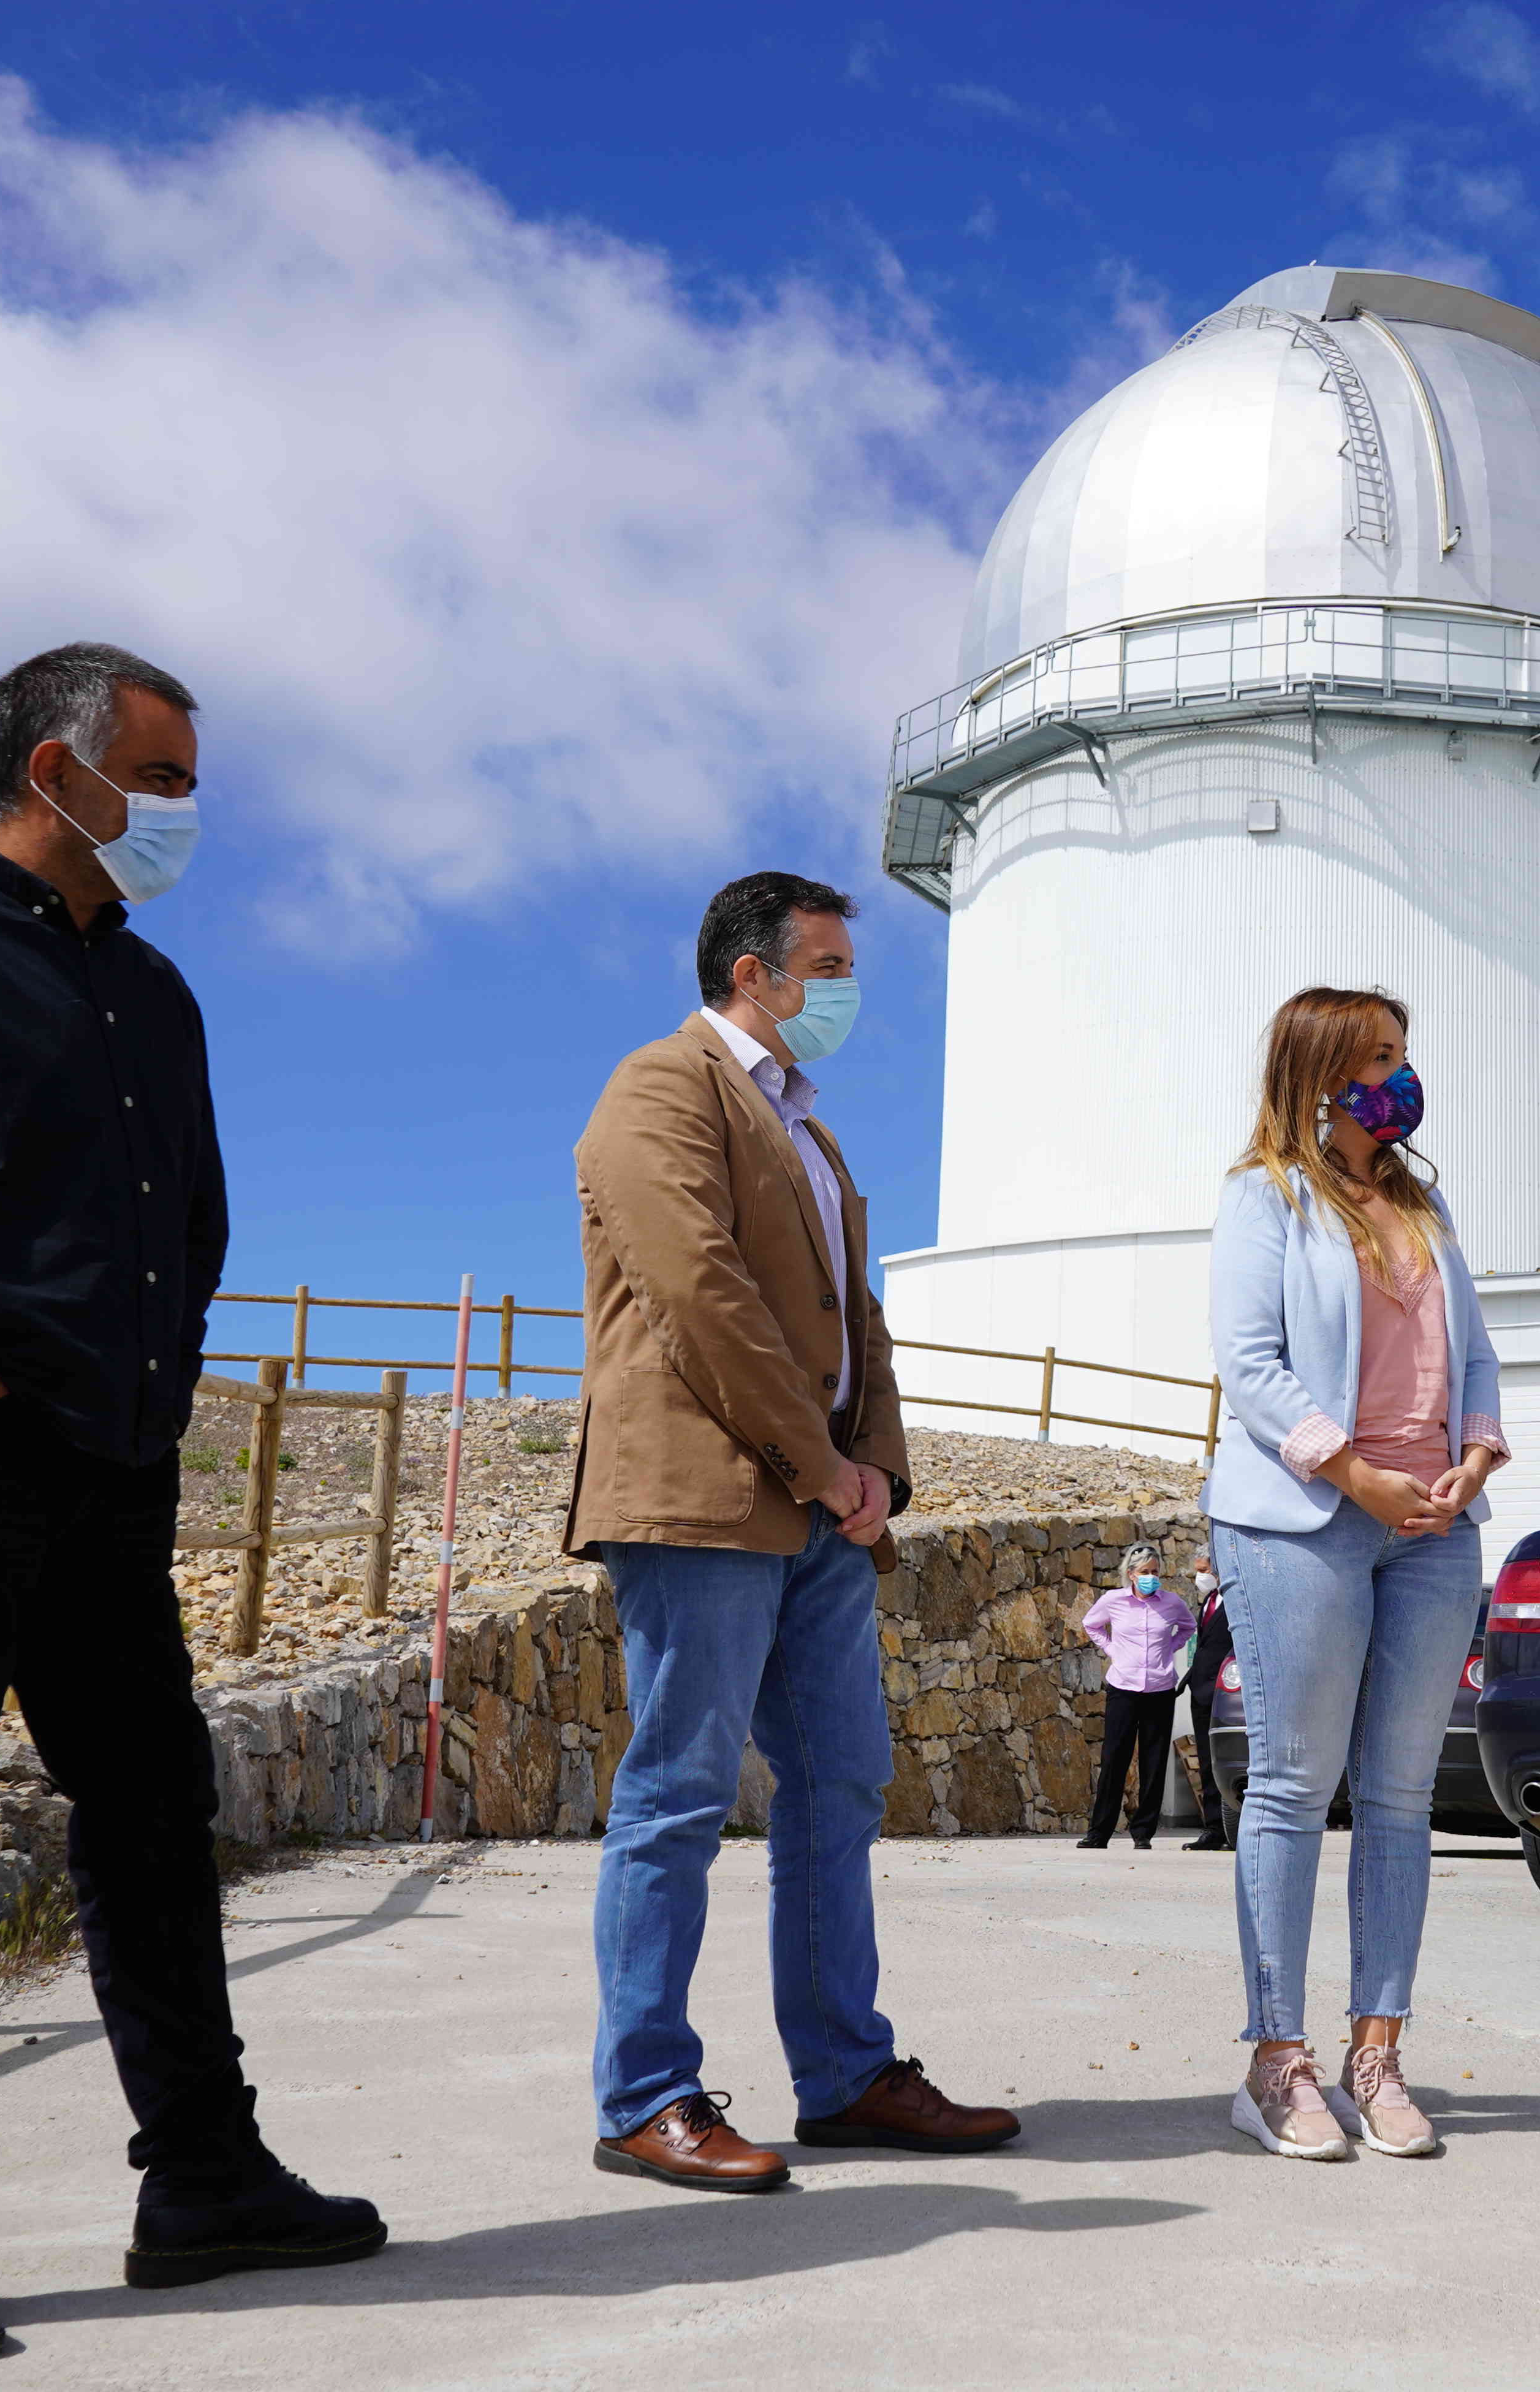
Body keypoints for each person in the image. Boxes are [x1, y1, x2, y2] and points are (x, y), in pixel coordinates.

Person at [0, 644, 382, 2363]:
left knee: (155, 1810)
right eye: (162, 778)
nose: (187, 811)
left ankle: (205, 2177)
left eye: (187, 782)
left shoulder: (155, 993)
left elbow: (192, 1225)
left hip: (106, 1470)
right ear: (56, 772)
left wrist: (147, 1407)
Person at [566, 870, 1019, 2193]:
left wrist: (876, 1470)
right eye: (828, 967)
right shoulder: (663, 1085)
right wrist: (821, 1463)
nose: (848, 991)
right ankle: (645, 2095)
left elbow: (854, 1317)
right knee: (680, 1794)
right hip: (704, 1499)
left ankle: (847, 2074)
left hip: (820, 1504)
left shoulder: (808, 1128)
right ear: (752, 973)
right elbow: (699, 1296)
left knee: (840, 1784)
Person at [1203, 987, 1507, 2160]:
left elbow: (1474, 1353)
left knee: (1400, 1797)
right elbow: (1250, 1364)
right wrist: (1353, 1472)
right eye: (1379, 1056)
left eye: (1402, 1053)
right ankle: (1275, 2064)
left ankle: (1375, 2057)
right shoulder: (1265, 1196)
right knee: (1291, 1787)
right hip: (1305, 1523)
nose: (1400, 1075)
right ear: (1321, 1072)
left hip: (1434, 1527)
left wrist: (1474, 1453)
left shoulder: (1424, 1205)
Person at [1080, 1544, 1198, 1847]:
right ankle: (1099, 1833)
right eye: (1145, 1572)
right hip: (1123, 1687)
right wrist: (1112, 1649)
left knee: (1154, 1762)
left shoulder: (1172, 1603)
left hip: (1160, 1689)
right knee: (1114, 1760)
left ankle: (1143, 1833)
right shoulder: (1114, 1601)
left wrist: (1170, 1648)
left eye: (1155, 1572)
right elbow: (1091, 1624)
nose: (1151, 1577)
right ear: (1131, 1574)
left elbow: (1188, 1628)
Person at [1180, 1546, 1237, 1851]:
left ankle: (1233, 1830)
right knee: (1207, 1761)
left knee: (1230, 1761)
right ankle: (1214, 1828)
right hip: (1201, 1692)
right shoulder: (1209, 1601)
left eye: (1204, 1571)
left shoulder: (1238, 1601)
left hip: (1225, 1692)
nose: (1199, 1577)